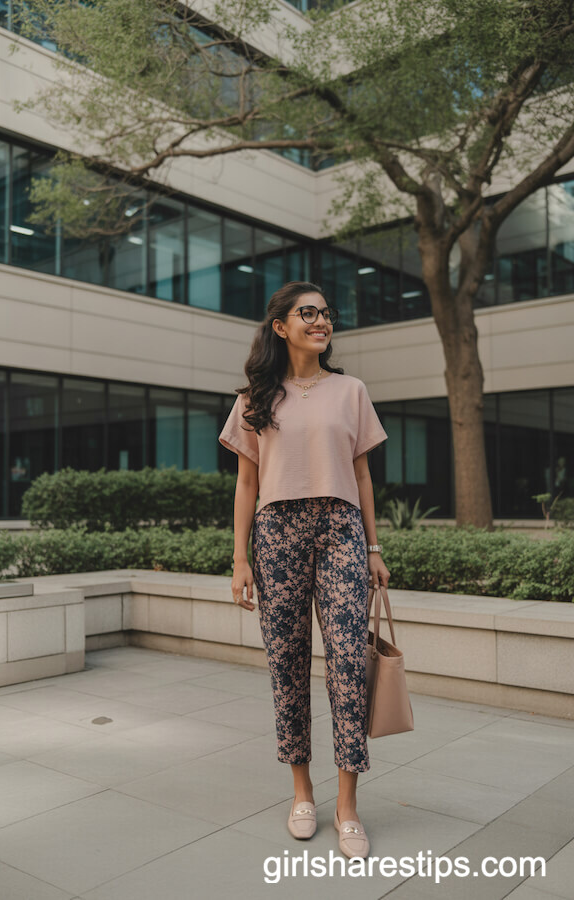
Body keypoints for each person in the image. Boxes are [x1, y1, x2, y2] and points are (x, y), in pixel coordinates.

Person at [218, 281, 390, 859]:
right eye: (307, 313)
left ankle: (347, 807)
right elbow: (246, 482)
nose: (321, 321)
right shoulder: (254, 399)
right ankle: (301, 792)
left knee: (346, 664)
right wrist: (239, 558)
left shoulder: (351, 390)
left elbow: (362, 475)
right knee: (286, 665)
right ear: (281, 326)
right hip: (276, 532)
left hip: (341, 527)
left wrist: (372, 548)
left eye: (325, 313)